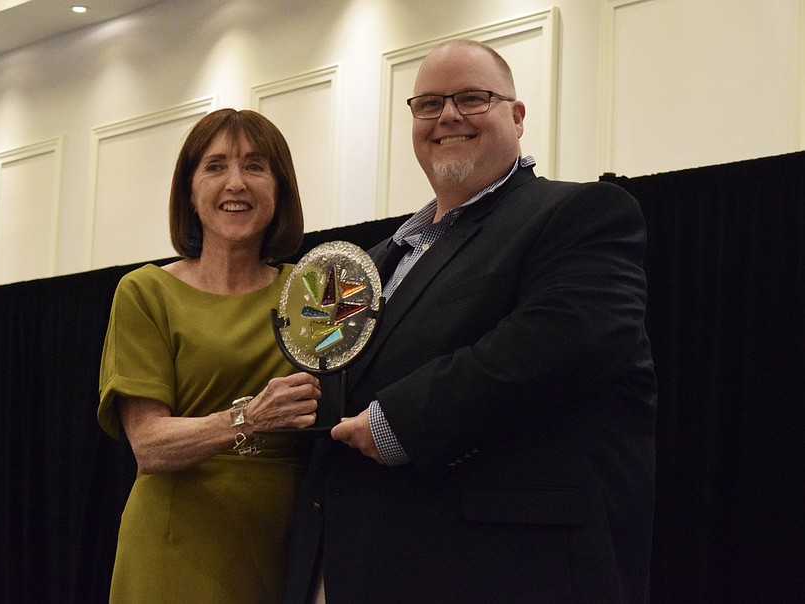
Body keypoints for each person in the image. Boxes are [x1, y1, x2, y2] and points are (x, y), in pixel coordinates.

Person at [286, 39, 657, 603]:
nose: (449, 116)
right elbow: (341, 387)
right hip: (358, 566)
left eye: (472, 97)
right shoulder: (377, 258)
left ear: (517, 114)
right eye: (429, 103)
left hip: (508, 571)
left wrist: (397, 423)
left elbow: (560, 341)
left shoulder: (582, 213)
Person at [97, 108, 320, 603]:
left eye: (255, 166)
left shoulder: (312, 292)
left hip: (287, 546)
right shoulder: (145, 291)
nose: (236, 183)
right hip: (174, 545)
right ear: (189, 192)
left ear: (280, 189)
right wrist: (251, 417)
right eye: (216, 166)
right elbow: (150, 445)